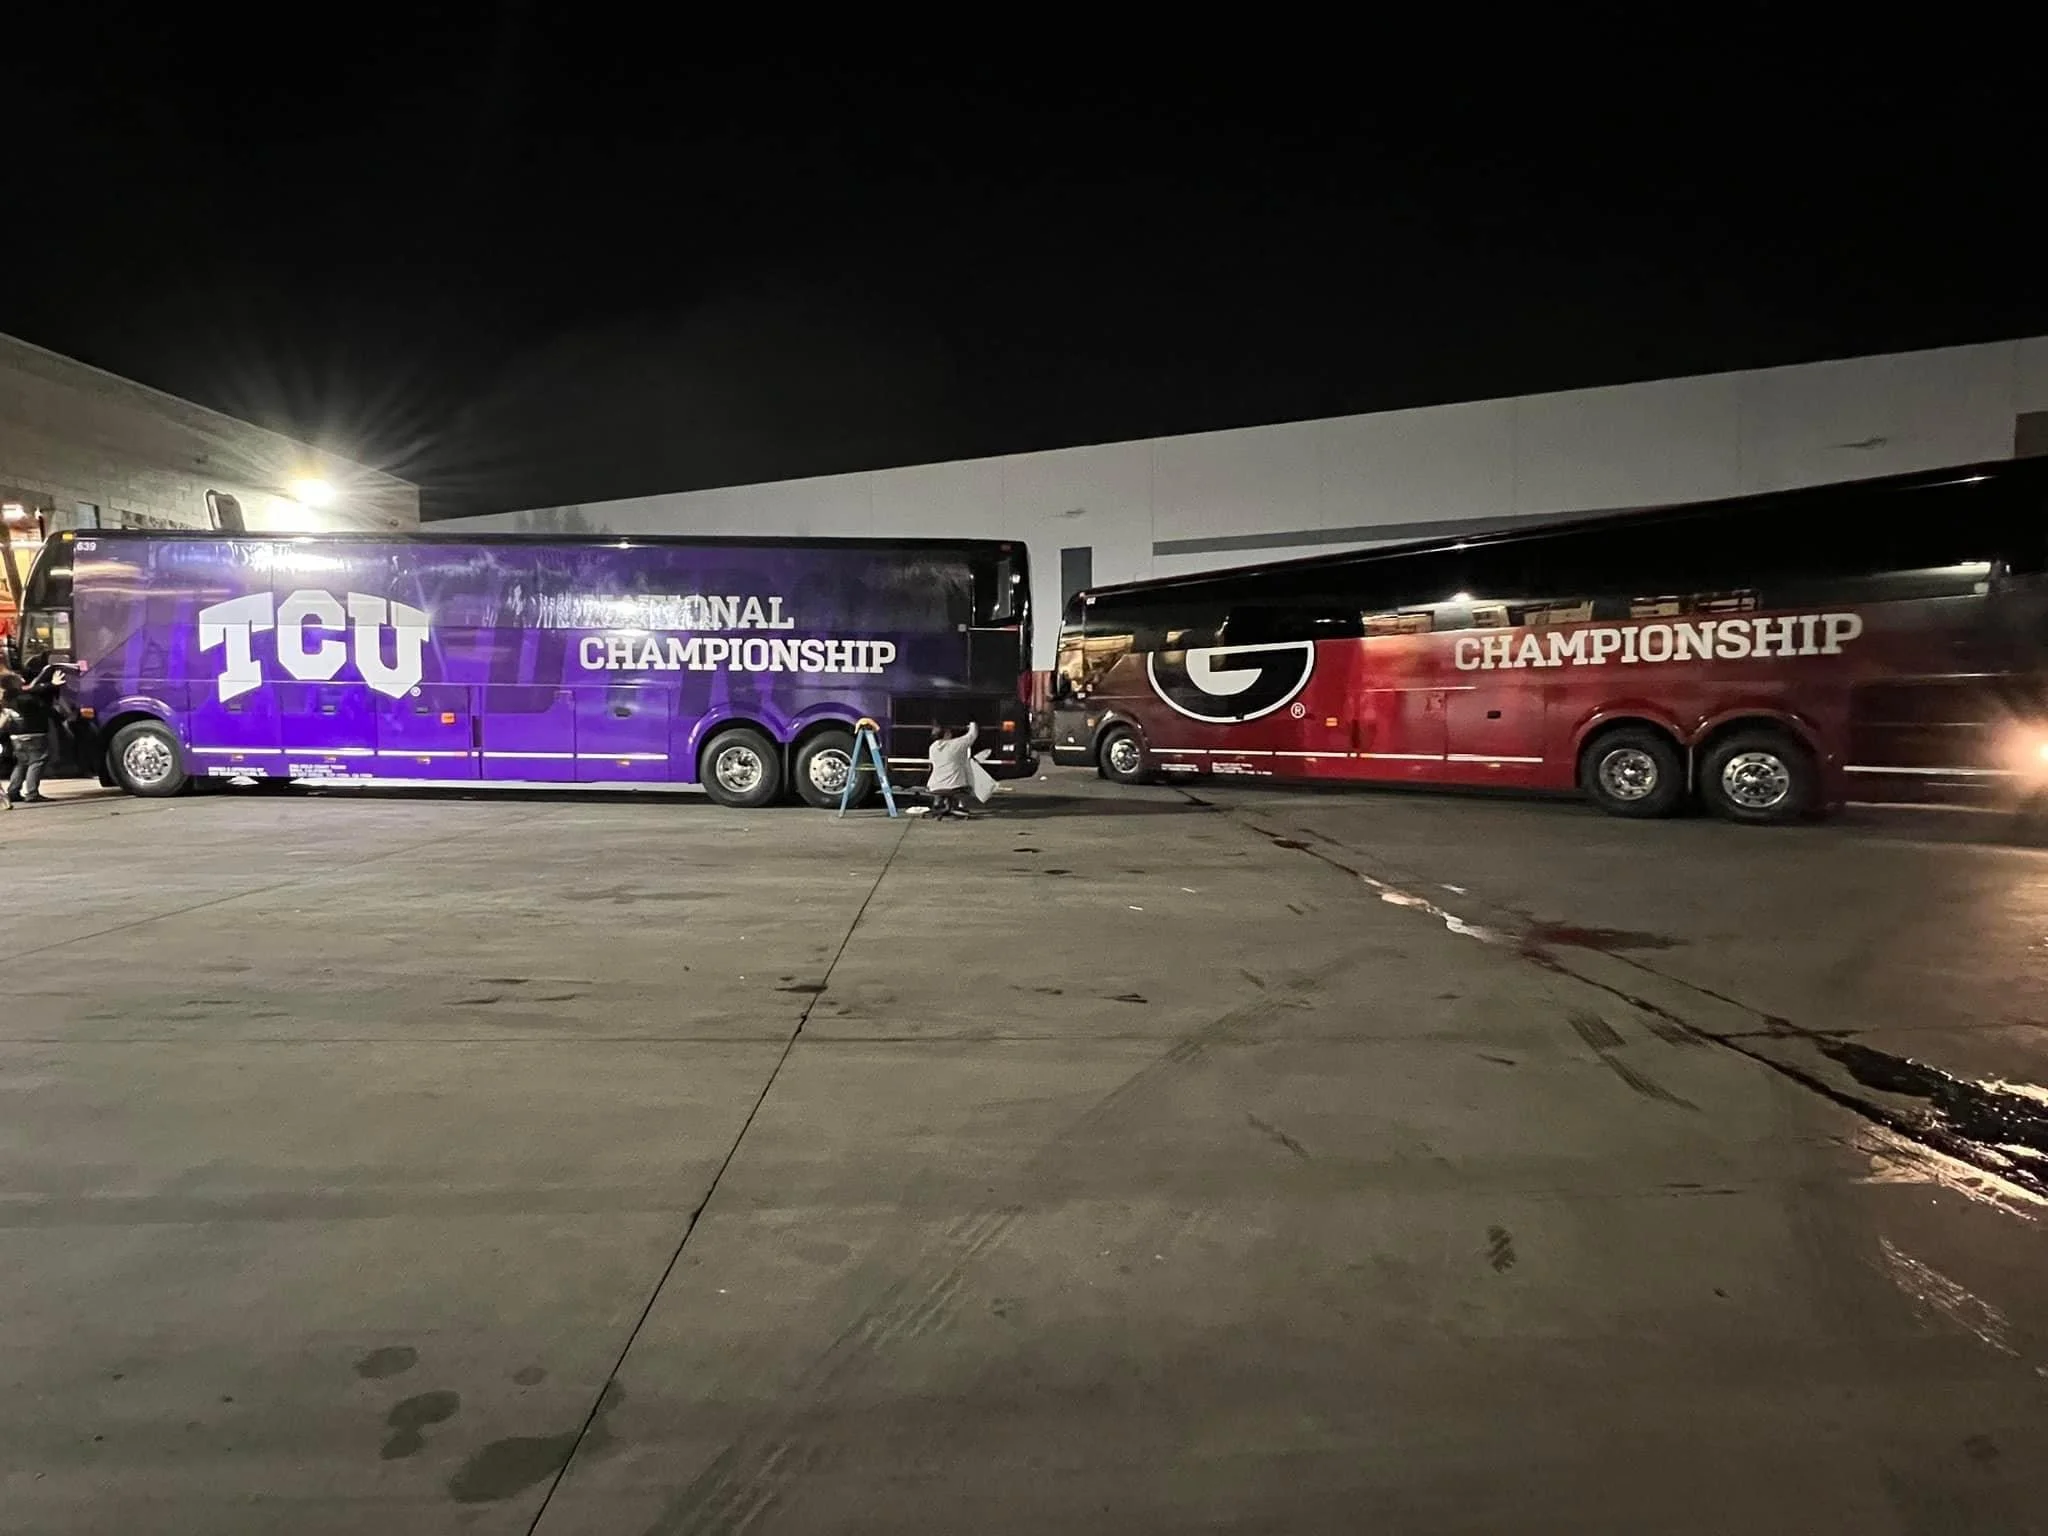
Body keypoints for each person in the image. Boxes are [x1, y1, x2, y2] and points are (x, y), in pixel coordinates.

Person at [2, 663, 61, 805]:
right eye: (19, 678)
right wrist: (52, 685)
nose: (22, 678)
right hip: (33, 732)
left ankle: (13, 791)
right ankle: (32, 792)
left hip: (15, 735)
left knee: (22, 763)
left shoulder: (8, 699)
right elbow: (41, 704)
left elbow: (33, 689)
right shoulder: (27, 699)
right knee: (38, 761)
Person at [925, 720, 980, 820]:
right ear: (946, 734)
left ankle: (940, 805)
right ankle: (954, 806)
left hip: (934, 786)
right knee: (965, 782)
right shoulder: (956, 745)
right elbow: (972, 735)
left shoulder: (932, 747)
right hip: (955, 786)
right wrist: (973, 723)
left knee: (942, 783)